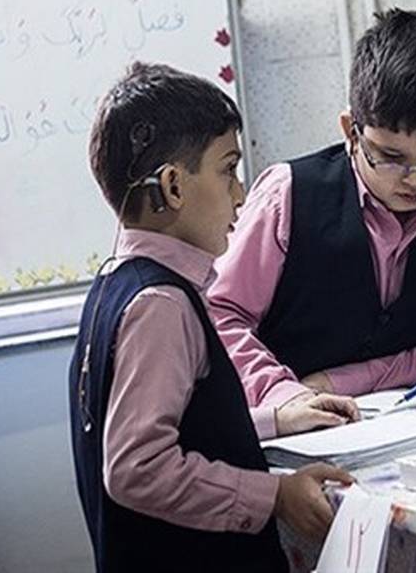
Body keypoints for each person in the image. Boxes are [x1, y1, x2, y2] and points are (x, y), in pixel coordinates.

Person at [69, 62, 357, 573]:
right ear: (173, 187)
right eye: (228, 169)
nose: (241, 193)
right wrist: (274, 495)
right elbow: (137, 467)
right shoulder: (160, 305)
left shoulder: (116, 284)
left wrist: (275, 421)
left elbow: (186, 428)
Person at [209, 8, 416, 410]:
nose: (415, 179)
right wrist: (286, 394)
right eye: (391, 157)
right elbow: (220, 318)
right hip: (289, 428)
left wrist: (342, 381)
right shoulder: (287, 195)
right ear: (351, 131)